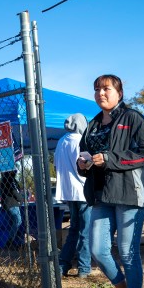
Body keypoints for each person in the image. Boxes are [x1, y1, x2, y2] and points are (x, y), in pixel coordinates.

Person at [78, 74, 144, 288]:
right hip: (101, 194)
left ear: (119, 93)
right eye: (97, 89)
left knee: (127, 252)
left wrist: (110, 158)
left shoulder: (132, 118)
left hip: (129, 194)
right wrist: (83, 164)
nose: (101, 93)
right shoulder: (92, 125)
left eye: (107, 88)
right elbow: (86, 157)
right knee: (98, 250)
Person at [54, 113, 91, 278]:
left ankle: (63, 265)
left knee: (74, 230)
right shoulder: (81, 140)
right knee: (86, 231)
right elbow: (89, 165)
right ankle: (84, 268)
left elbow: (56, 164)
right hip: (83, 191)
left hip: (68, 191)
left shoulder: (61, 141)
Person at [0, 169, 23, 245]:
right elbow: (14, 191)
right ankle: (10, 240)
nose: (15, 172)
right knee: (18, 221)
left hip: (8, 204)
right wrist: (21, 199)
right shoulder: (9, 179)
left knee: (13, 222)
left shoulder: (5, 179)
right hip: (12, 204)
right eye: (14, 171)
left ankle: (14, 239)